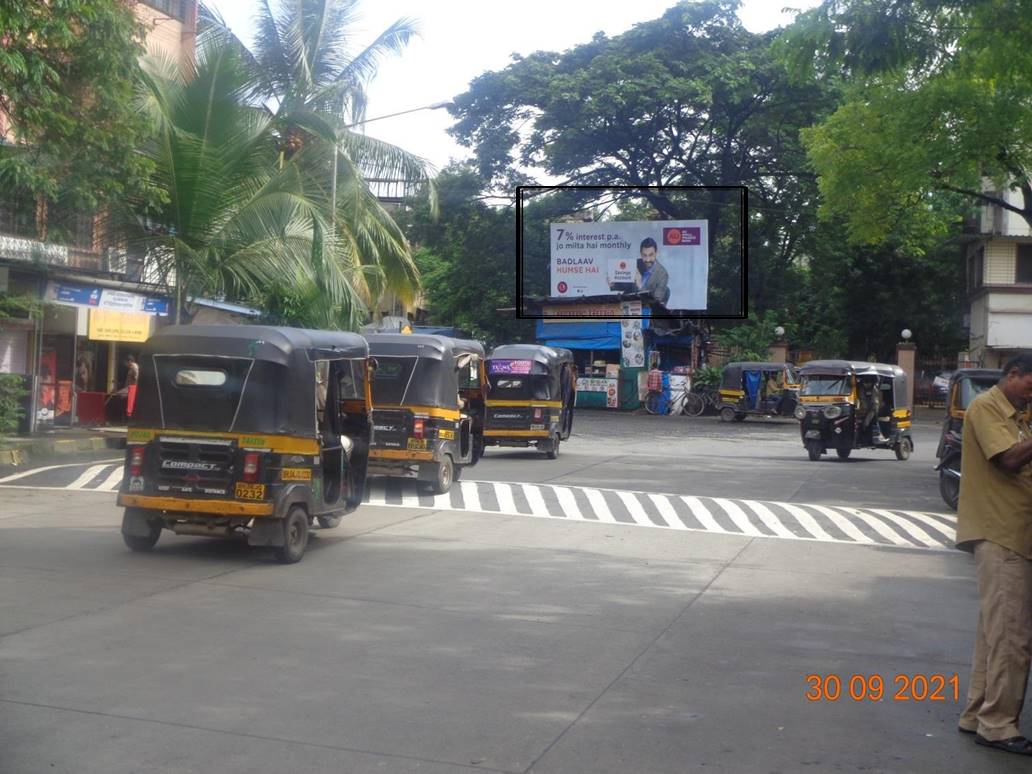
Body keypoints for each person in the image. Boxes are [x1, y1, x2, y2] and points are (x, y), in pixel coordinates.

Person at [956, 353, 1032, 756]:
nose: (1031, 396)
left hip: (1014, 533)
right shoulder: (987, 407)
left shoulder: (1018, 415)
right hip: (1001, 534)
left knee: (995, 633)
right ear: (1013, 375)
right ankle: (999, 725)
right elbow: (1008, 460)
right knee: (1012, 637)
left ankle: (977, 714)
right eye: (1030, 386)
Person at [635, 237, 670, 305]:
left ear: (656, 253)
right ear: (640, 254)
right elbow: (626, 285)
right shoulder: (635, 264)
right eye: (644, 255)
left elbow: (655, 302)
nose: (647, 260)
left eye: (651, 255)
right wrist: (613, 285)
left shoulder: (662, 274)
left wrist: (640, 286)